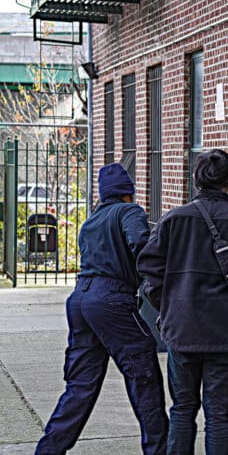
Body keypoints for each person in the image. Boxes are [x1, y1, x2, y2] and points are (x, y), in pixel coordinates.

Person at [137, 148, 228, 455]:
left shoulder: (173, 220)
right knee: (218, 413)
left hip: (181, 330)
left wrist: (169, 307)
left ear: (195, 178)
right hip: (224, 332)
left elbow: (148, 271)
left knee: (182, 409)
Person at [35, 163, 168, 455]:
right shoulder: (130, 211)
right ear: (128, 193)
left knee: (80, 386)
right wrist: (160, 281)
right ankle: (159, 449)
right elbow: (141, 244)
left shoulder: (89, 223)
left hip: (80, 300)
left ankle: (48, 450)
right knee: (143, 372)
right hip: (111, 299)